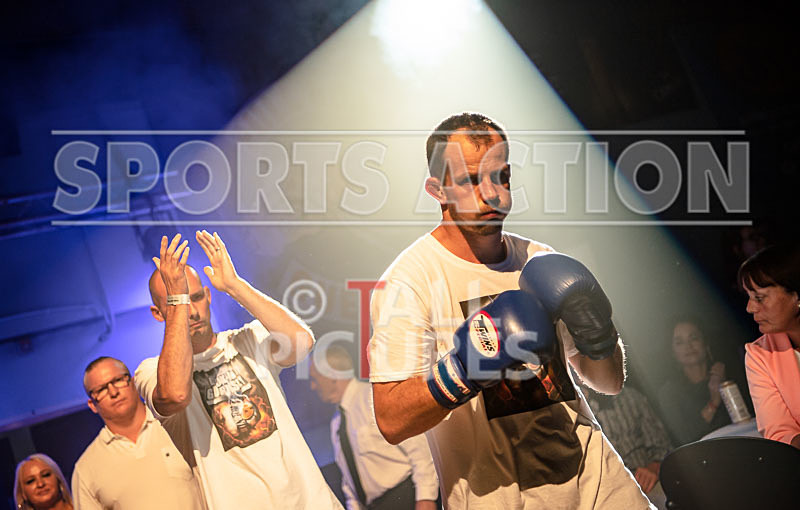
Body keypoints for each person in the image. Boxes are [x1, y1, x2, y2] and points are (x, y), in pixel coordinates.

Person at [368, 112, 652, 509]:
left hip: (600, 487)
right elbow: (392, 421)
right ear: (438, 190)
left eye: (501, 177)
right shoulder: (408, 282)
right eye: (470, 180)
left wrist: (599, 334)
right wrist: (464, 368)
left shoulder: (538, 260)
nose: (492, 194)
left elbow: (608, 383)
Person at [135, 230, 342, 509]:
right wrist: (177, 301)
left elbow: (302, 343)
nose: (192, 311)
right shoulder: (150, 371)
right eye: (180, 302)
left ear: (208, 296)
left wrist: (234, 286)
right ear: (159, 313)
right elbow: (174, 395)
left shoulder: (247, 339)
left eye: (195, 297)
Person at [309, 344, 439, 510]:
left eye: (314, 379)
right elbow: (349, 481)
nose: (313, 386)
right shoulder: (336, 423)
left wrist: (426, 498)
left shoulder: (372, 398)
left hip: (405, 499)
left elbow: (419, 448)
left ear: (332, 374)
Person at [72, 356, 204, 509]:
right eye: (100, 390)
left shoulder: (177, 424)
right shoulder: (86, 468)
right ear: (92, 405)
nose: (113, 392)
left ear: (134, 382)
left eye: (118, 380)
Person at [739, 243, 800, 448]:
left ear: (796, 296)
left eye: (759, 298)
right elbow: (779, 433)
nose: (749, 308)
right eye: (749, 297)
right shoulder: (759, 355)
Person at [581, 382, 672, 509]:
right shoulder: (579, 412)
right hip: (612, 492)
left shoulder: (631, 397)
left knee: (670, 498)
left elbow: (661, 445)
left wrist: (654, 467)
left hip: (648, 482)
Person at [657, 318, 734, 444]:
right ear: (673, 352)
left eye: (693, 338)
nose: (688, 346)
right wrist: (714, 402)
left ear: (705, 343)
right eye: (679, 342)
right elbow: (687, 436)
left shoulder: (724, 375)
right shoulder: (669, 392)